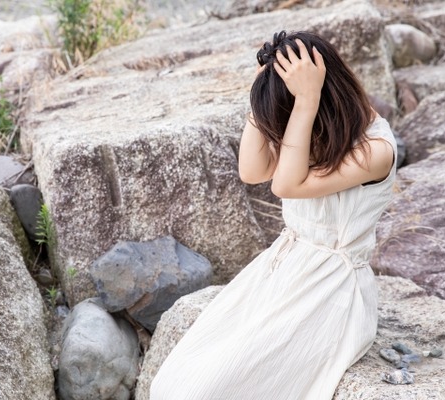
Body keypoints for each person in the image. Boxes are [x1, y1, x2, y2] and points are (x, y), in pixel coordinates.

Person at [149, 30, 397, 400]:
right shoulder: (314, 133)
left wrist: (307, 97)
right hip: (282, 271)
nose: (282, 129)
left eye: (289, 115)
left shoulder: (376, 150)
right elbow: (251, 171)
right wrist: (262, 94)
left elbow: (286, 184)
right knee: (174, 383)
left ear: (320, 101)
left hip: (329, 291)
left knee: (206, 390)